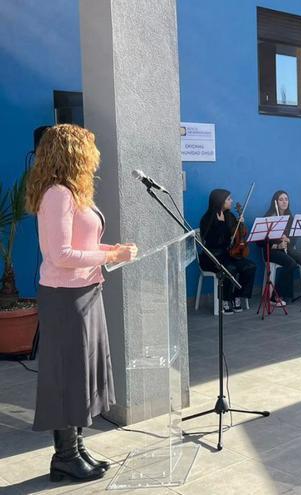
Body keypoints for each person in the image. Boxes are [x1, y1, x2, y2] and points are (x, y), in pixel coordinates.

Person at [27, 124, 138, 482]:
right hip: (65, 297)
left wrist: (113, 251)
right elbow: (60, 254)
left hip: (86, 291)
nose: (95, 156)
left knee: (82, 374)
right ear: (72, 152)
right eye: (89, 149)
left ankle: (77, 447)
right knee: (66, 376)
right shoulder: (57, 194)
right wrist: (107, 257)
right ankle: (65, 456)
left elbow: (80, 244)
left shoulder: (73, 192)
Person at [257, 190, 301, 302]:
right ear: (275, 202)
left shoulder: (290, 218)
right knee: (291, 264)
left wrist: (288, 240)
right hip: (271, 252)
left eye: (286, 199)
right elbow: (260, 243)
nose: (284, 202)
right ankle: (275, 296)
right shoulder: (268, 217)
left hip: (286, 249)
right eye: (281, 199)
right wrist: (276, 245)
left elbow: (293, 240)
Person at [199, 189, 257, 313]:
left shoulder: (229, 216)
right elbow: (214, 242)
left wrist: (240, 224)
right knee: (230, 269)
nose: (231, 201)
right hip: (212, 257)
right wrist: (220, 225)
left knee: (250, 266)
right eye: (229, 199)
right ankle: (225, 299)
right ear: (220, 201)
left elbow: (237, 235)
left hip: (229, 254)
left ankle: (237, 296)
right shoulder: (207, 219)